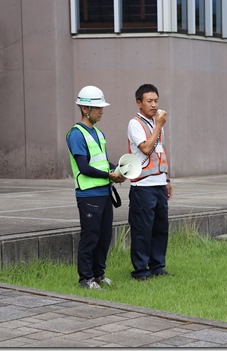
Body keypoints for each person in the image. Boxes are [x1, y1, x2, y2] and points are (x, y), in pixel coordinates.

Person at [66, 85, 126, 289]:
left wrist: (118, 170)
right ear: (85, 109)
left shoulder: (99, 134)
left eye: (102, 107)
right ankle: (86, 279)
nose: (102, 111)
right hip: (88, 195)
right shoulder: (76, 134)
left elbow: (102, 163)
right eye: (98, 107)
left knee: (103, 238)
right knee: (90, 238)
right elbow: (84, 167)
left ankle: (99, 274)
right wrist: (110, 175)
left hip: (104, 193)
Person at [127, 83, 172, 281]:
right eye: (149, 101)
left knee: (161, 228)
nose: (154, 105)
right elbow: (145, 148)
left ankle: (157, 266)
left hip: (159, 183)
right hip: (142, 185)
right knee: (142, 229)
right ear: (139, 103)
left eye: (156, 101)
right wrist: (160, 126)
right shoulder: (135, 123)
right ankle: (140, 270)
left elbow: (160, 152)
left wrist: (167, 179)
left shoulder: (156, 124)